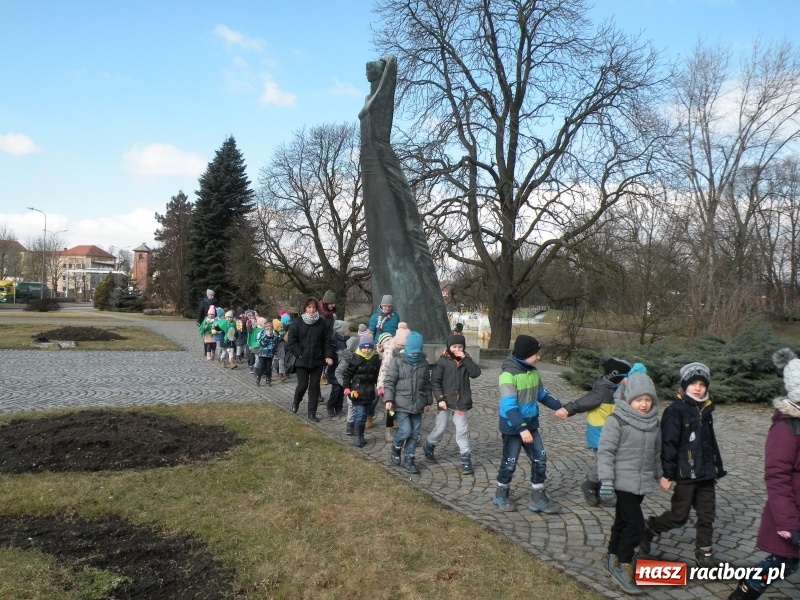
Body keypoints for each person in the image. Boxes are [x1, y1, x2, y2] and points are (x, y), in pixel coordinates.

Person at [728, 348, 800, 600]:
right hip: (791, 513)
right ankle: (744, 593)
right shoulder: (786, 428)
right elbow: (776, 476)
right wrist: (788, 522)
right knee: (784, 561)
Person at [639, 362, 727, 567]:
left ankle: (704, 553)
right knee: (679, 516)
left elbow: (710, 443)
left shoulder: (706, 410)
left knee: (707, 514)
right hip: (685, 473)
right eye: (693, 383)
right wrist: (667, 474)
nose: (698, 388)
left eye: (702, 384)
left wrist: (716, 466)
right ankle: (650, 528)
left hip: (706, 474)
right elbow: (668, 444)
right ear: (684, 385)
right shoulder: (675, 410)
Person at [597, 371, 670, 595]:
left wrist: (660, 475)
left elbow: (656, 453)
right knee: (636, 526)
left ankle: (611, 555)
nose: (644, 404)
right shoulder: (616, 420)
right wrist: (606, 480)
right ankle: (623, 564)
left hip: (641, 483)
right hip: (621, 482)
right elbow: (605, 452)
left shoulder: (653, 423)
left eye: (648, 400)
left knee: (622, 521)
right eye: (639, 399)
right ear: (629, 399)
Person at [492, 335, 563, 514]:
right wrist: (521, 428)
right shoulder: (508, 375)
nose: (539, 357)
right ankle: (501, 494)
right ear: (526, 354)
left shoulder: (534, 372)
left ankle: (538, 497)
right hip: (514, 428)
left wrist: (559, 407)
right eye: (536, 354)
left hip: (531, 426)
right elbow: (508, 405)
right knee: (510, 462)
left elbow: (542, 394)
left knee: (540, 458)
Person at [555, 358, 633, 507]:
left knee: (612, 463)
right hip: (600, 434)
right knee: (605, 464)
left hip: (612, 433)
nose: (628, 379)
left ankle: (598, 487)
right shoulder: (602, 390)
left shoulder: (617, 389)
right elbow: (584, 402)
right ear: (616, 376)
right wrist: (567, 409)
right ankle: (590, 486)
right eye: (626, 376)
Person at [422, 333, 482, 475]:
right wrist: (440, 399)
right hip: (446, 402)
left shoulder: (466, 360)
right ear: (448, 347)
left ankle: (465, 458)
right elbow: (435, 382)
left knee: (462, 430)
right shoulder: (442, 361)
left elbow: (475, 373)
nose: (457, 349)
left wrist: (465, 359)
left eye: (460, 347)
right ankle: (430, 444)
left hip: (461, 403)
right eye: (454, 346)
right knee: (440, 428)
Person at [384, 331, 432, 474]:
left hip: (418, 403)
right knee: (405, 430)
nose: (414, 355)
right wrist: (388, 399)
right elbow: (389, 382)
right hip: (401, 403)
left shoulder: (424, 363)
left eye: (417, 353)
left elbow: (427, 384)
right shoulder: (397, 361)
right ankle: (396, 447)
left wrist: (428, 401)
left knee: (415, 434)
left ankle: (409, 458)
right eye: (412, 353)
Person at [286, 296, 334, 422]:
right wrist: (299, 353)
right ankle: (296, 401)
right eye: (309, 307)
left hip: (317, 360)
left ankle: (312, 412)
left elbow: (327, 341)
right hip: (302, 360)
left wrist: (328, 355)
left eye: (313, 307)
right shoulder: (297, 322)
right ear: (305, 308)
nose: (312, 310)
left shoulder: (321, 323)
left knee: (314, 387)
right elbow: (292, 341)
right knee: (302, 385)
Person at [342, 331, 382, 447]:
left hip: (369, 392)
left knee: (364, 415)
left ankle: (361, 434)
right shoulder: (355, 359)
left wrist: (379, 387)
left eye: (369, 348)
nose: (366, 350)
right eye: (364, 348)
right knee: (360, 414)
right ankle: (357, 436)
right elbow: (347, 375)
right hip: (357, 392)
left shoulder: (375, 359)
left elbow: (376, 376)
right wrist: (346, 388)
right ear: (360, 348)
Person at [326, 320, 350, 417]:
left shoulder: (347, 339)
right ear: (342, 331)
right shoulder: (334, 339)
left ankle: (339, 408)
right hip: (335, 369)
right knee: (336, 389)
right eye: (347, 329)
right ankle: (330, 406)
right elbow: (331, 352)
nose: (349, 331)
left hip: (344, 368)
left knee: (341, 390)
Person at [338, 336, 359, 436]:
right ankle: (350, 424)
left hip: (360, 385)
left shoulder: (361, 357)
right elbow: (338, 372)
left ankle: (358, 424)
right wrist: (344, 384)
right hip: (350, 386)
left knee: (359, 406)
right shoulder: (346, 360)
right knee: (351, 405)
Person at [318, 291, 337, 386]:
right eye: (330, 303)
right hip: (319, 341)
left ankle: (323, 375)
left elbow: (331, 329)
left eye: (333, 303)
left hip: (327, 340)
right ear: (326, 303)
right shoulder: (319, 314)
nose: (333, 305)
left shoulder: (331, 315)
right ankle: (320, 377)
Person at [255, 321, 279, 386]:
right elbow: (262, 344)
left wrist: (274, 350)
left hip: (269, 354)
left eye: (271, 329)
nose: (269, 331)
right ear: (265, 329)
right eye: (267, 329)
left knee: (268, 368)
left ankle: (268, 379)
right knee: (260, 367)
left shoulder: (274, 335)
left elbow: (275, 344)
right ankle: (258, 378)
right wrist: (267, 337)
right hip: (262, 354)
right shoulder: (261, 334)